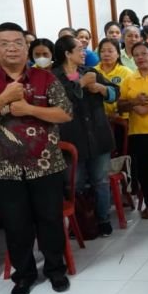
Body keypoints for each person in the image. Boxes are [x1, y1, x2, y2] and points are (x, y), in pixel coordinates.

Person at [0, 22, 73, 294]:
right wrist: (3, 98)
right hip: (3, 171)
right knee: (16, 224)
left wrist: (28, 108)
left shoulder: (45, 78)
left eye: (18, 43)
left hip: (46, 165)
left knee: (50, 220)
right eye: (5, 43)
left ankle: (55, 269)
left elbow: (65, 113)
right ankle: (23, 275)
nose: (12, 48)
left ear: (27, 47)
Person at [52, 36, 118, 237]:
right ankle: (80, 223)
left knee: (101, 180)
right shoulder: (53, 77)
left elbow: (116, 92)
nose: (84, 53)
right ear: (67, 53)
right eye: (79, 50)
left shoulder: (90, 72)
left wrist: (101, 88)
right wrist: (80, 84)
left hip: (98, 136)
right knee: (75, 183)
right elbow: (58, 101)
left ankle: (103, 219)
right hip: (72, 138)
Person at [117, 42, 148, 219]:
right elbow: (120, 105)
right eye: (136, 55)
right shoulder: (129, 78)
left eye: (144, 53)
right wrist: (134, 102)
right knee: (144, 170)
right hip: (138, 132)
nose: (140, 58)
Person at [95, 38, 133, 118]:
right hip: (99, 118)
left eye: (110, 51)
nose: (106, 54)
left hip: (122, 118)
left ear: (118, 54)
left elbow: (131, 97)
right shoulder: (93, 71)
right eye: (102, 51)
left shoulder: (127, 72)